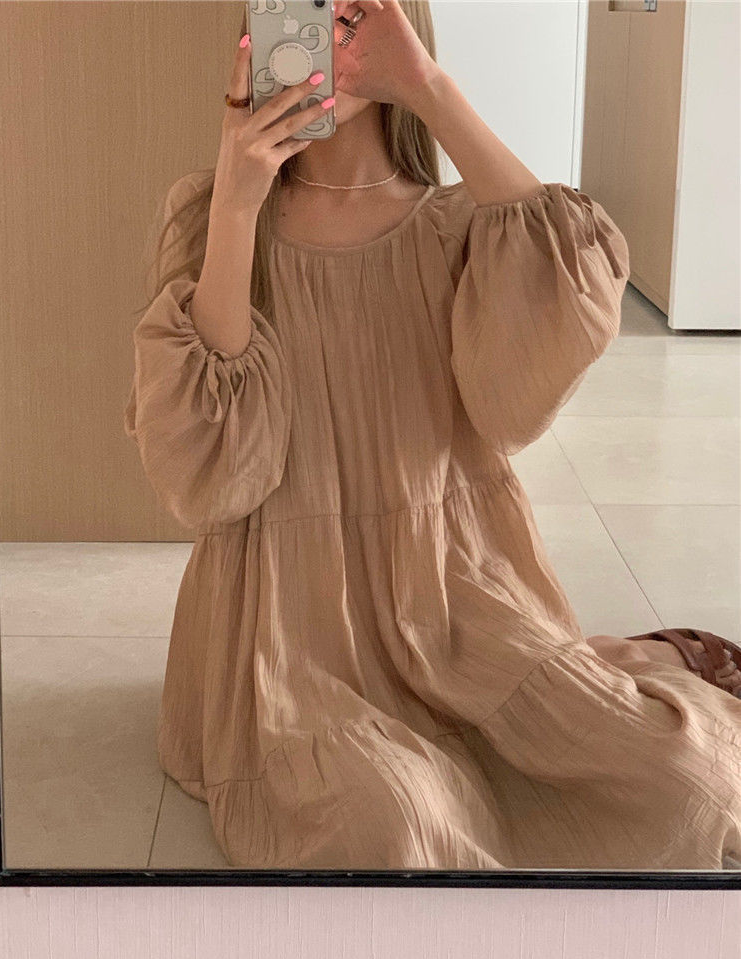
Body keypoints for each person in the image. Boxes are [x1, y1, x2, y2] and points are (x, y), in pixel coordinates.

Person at [123, 0, 741, 870]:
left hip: (454, 594)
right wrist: (238, 198)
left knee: (691, 784)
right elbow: (209, 467)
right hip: (293, 627)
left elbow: (571, 282)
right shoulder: (209, 215)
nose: (324, 45)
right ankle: (626, 657)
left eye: (349, 19)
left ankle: (623, 662)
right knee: (394, 829)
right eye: (297, 15)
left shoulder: (461, 223)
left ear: (399, 26)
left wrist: (430, 90)